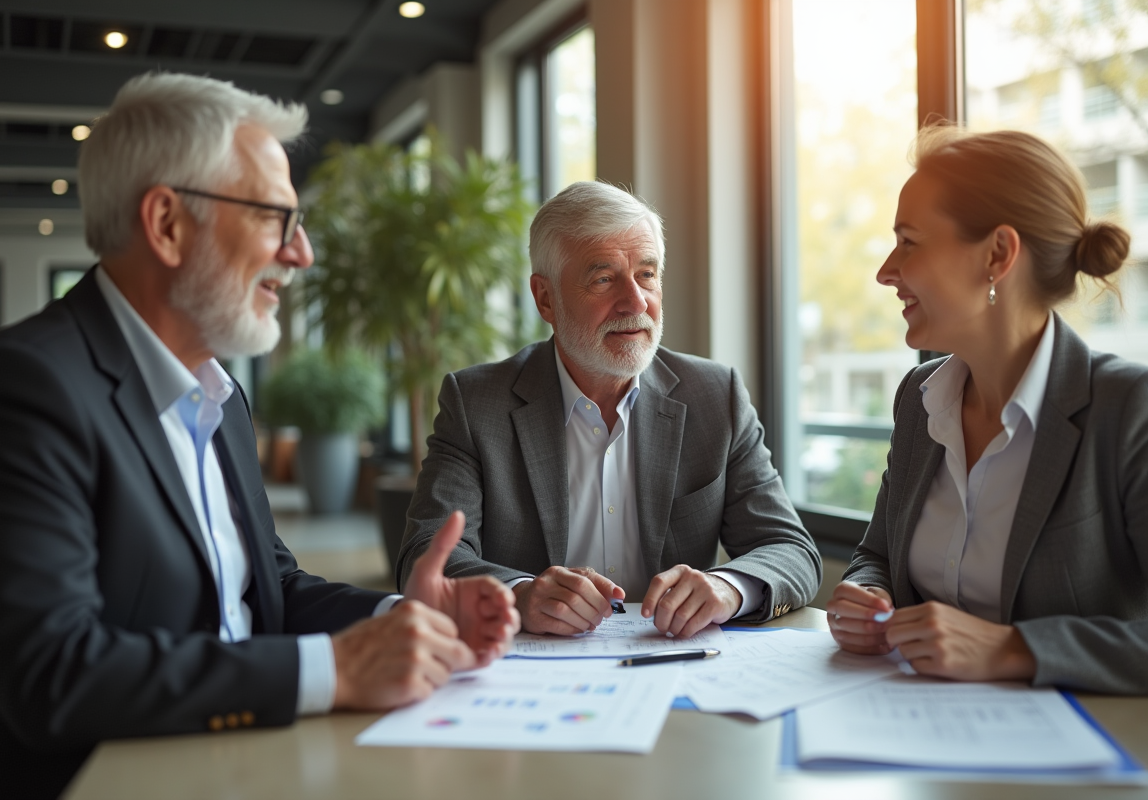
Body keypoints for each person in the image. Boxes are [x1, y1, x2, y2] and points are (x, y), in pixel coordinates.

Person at [0, 72, 518, 799]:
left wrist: (407, 615)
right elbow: (54, 673)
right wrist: (340, 670)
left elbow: (266, 589)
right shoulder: (25, 387)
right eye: (276, 218)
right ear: (167, 224)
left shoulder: (220, 396)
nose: (301, 253)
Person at [397, 181, 821, 639]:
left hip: (675, 665)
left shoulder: (715, 396)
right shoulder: (477, 403)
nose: (636, 302)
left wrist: (726, 586)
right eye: (603, 278)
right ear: (546, 298)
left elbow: (789, 548)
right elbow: (426, 557)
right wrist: (519, 595)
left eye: (647, 274)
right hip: (533, 671)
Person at [827, 124, 1148, 694]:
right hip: (915, 737)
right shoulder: (919, 398)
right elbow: (875, 553)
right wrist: (870, 595)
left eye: (909, 240)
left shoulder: (1129, 410)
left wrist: (1014, 649)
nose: (885, 271)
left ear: (998, 254)